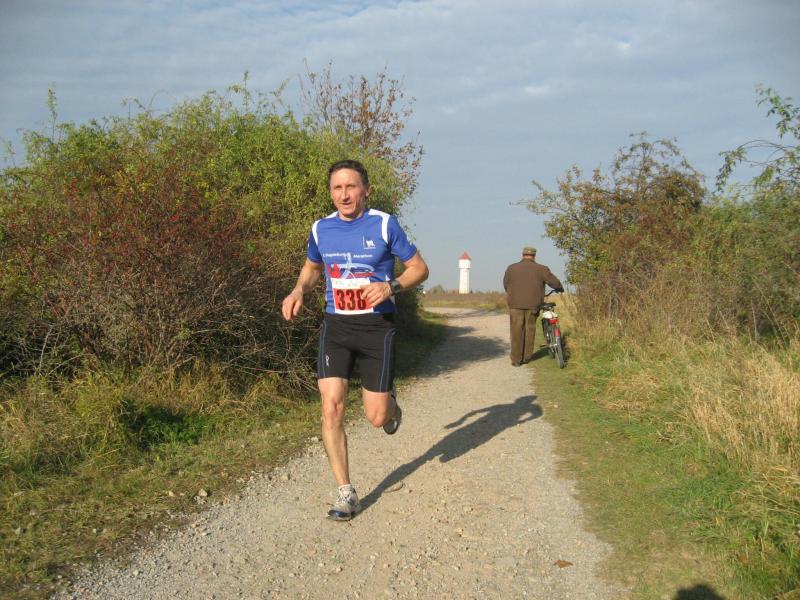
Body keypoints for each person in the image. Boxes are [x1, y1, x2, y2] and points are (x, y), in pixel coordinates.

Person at [281, 159, 429, 521]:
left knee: (376, 417)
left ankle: (390, 405)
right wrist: (298, 290)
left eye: (351, 187)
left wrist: (391, 286)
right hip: (337, 328)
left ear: (366, 190)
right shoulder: (321, 229)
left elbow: (419, 268)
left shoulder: (384, 224)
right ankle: (345, 492)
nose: (344, 195)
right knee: (331, 406)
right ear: (331, 192)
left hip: (376, 327)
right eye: (337, 188)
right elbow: (312, 268)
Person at [503, 246, 563, 366]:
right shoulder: (542, 269)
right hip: (533, 304)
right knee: (529, 329)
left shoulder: (511, 268)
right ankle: (527, 357)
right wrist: (559, 287)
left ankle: (516, 359)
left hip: (515, 304)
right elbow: (553, 282)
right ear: (534, 256)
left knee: (516, 330)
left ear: (522, 255)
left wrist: (513, 294)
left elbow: (506, 284)